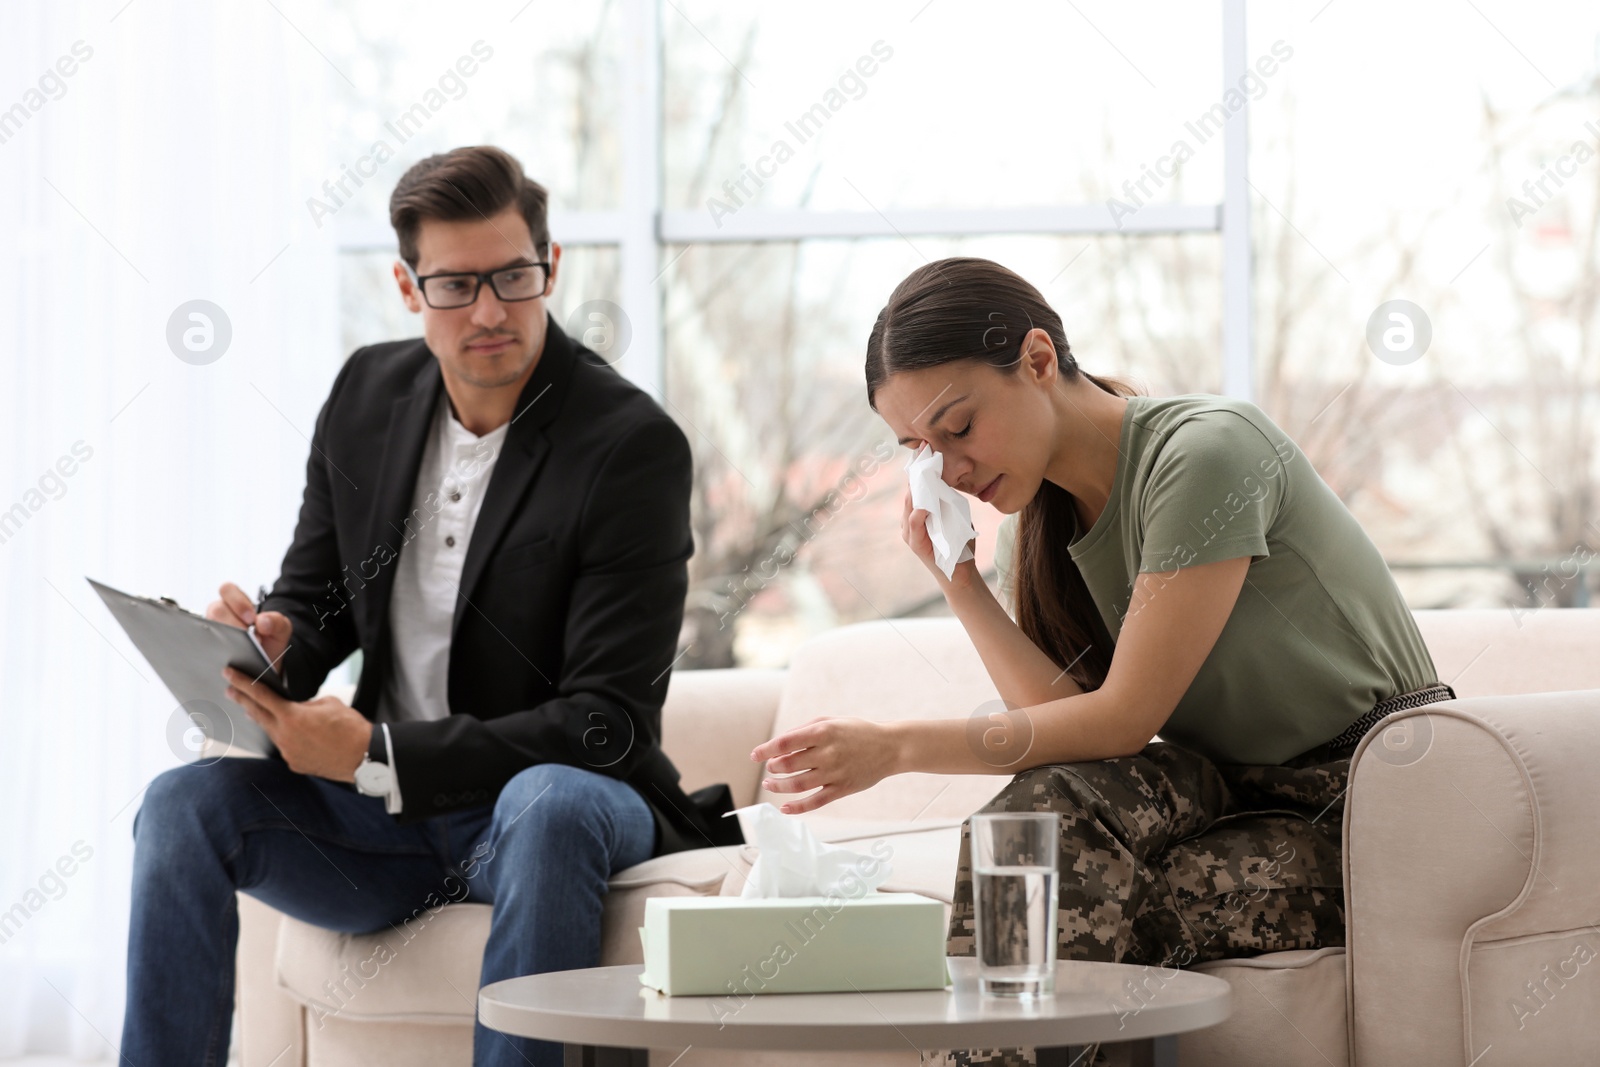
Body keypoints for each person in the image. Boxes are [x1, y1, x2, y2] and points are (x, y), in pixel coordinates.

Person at [119, 145, 741, 1067]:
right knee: (180, 804)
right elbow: (315, 599)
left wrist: (377, 751)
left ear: (551, 267)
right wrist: (267, 646)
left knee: (550, 802)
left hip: (553, 808)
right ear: (410, 290)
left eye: (514, 276)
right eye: (456, 285)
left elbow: (606, 722)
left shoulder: (629, 445)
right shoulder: (366, 397)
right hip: (380, 820)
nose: (490, 310)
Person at [749, 257, 1453, 1067]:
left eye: (959, 427)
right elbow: (1068, 735)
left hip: (1365, 803)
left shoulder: (1206, 456)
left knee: (1083, 896)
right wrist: (959, 579)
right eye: (918, 448)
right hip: (1234, 792)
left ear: (1039, 360)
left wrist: (896, 747)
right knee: (1038, 824)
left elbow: (1123, 719)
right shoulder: (1045, 523)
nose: (948, 468)